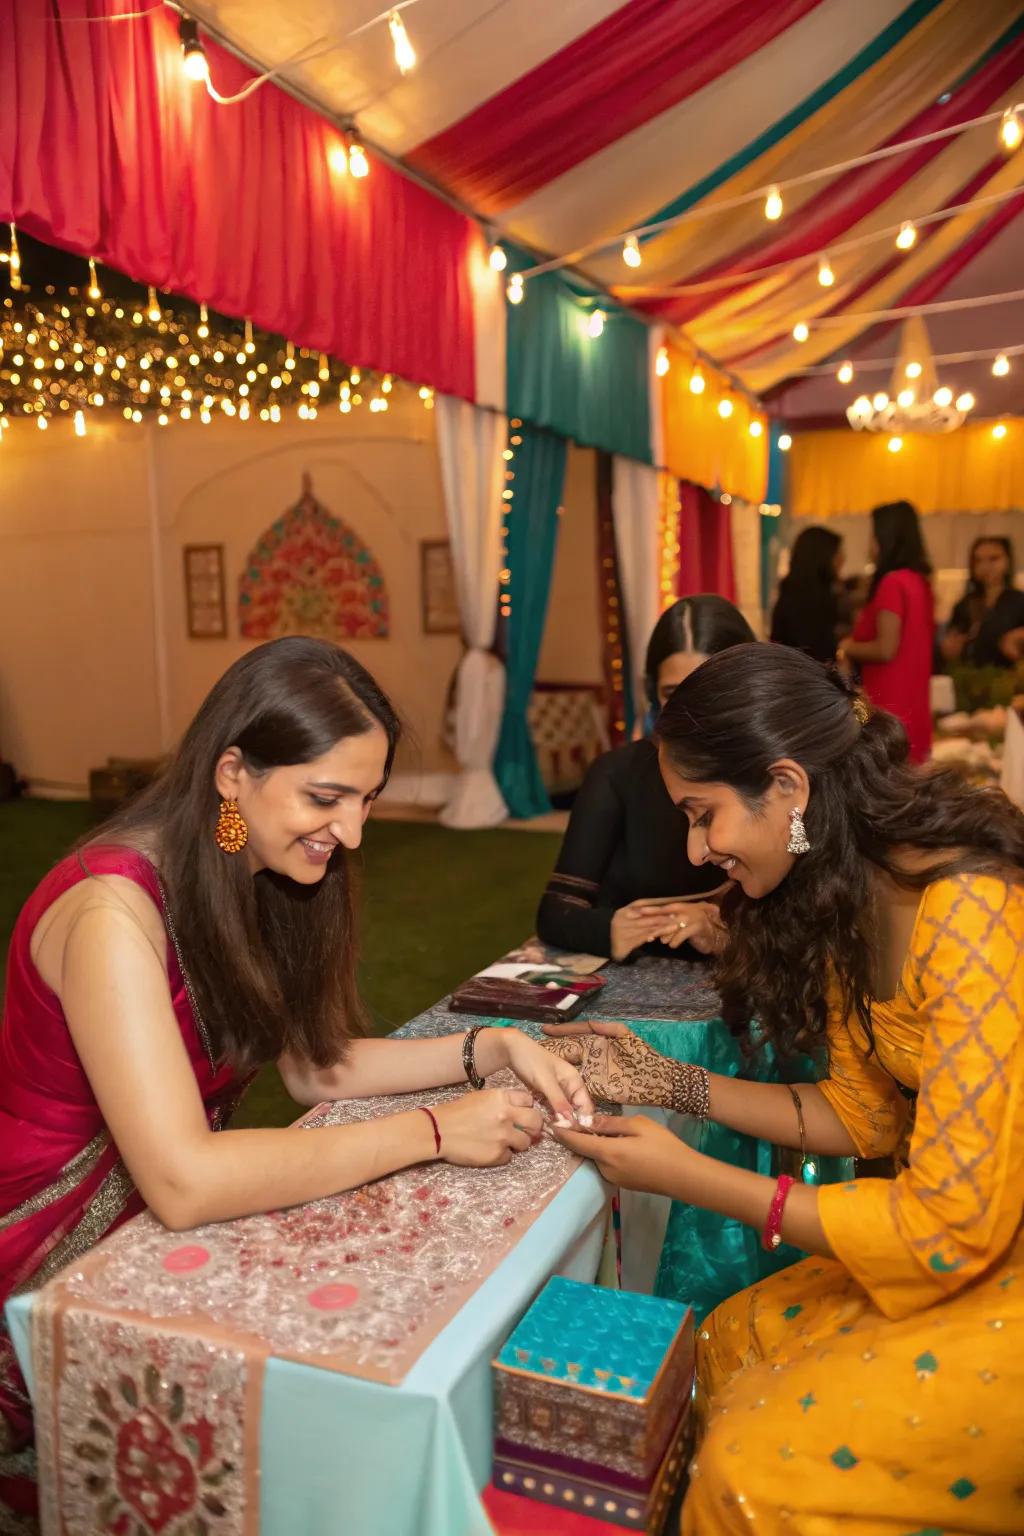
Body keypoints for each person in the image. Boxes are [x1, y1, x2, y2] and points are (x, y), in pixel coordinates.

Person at [0, 637, 592, 1521]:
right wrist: (433, 1133)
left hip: (149, 1225)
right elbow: (187, 1180)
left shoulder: (252, 867)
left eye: (366, 799)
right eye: (327, 797)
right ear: (233, 773)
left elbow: (320, 1067)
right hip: (45, 1254)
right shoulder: (109, 913)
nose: (352, 833)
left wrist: (493, 1047)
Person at [546, 643, 1024, 1534]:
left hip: (988, 1254)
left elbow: (949, 1229)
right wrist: (667, 1081)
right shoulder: (852, 891)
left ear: (789, 789)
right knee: (729, 1337)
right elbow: (855, 1113)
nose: (696, 849)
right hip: (960, 1238)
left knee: (746, 1470)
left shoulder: (964, 907)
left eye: (704, 814)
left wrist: (685, 1174)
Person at [536, 596, 755, 962]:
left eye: (706, 689)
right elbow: (556, 912)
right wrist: (615, 929)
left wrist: (723, 929)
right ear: (651, 690)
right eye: (672, 692)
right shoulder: (619, 773)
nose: (689, 710)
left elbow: (812, 921)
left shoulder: (774, 777)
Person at [836, 500, 934, 762]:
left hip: (889, 706)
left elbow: (886, 648)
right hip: (915, 705)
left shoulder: (892, 583)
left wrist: (846, 646)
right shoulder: (918, 581)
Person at [940, 534, 1024, 669]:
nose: (985, 566)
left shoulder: (1019, 602)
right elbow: (952, 642)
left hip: (1008, 681)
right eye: (978, 560)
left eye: (993, 559)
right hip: (968, 680)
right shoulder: (964, 604)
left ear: (1008, 561)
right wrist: (949, 648)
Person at [770, 524, 844, 664]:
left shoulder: (796, 591)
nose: (842, 558)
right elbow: (816, 649)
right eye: (837, 553)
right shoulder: (806, 600)